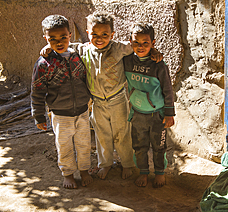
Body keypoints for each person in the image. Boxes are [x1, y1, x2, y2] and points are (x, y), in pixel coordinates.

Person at [41, 12, 163, 181]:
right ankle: (105, 164)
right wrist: (48, 48)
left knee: (122, 133)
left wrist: (154, 51)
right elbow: (64, 46)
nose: (99, 38)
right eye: (94, 34)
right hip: (97, 102)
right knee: (102, 134)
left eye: (105, 34)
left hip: (118, 99)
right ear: (88, 32)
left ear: (112, 35)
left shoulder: (119, 48)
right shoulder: (83, 49)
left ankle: (127, 164)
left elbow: (138, 46)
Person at [31, 15, 93, 189]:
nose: (59, 42)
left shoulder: (77, 55)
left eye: (63, 37)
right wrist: (39, 116)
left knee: (84, 144)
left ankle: (84, 171)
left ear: (70, 35)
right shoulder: (44, 63)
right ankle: (68, 174)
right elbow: (37, 91)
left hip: (82, 111)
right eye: (52, 39)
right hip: (60, 115)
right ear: (45, 39)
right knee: (64, 146)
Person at [123, 22, 175, 188]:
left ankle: (159, 172)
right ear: (130, 42)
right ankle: (143, 172)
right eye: (136, 43)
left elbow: (168, 90)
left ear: (153, 43)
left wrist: (169, 114)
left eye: (146, 43)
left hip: (157, 115)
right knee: (139, 146)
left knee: (159, 146)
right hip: (137, 113)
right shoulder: (127, 61)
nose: (140, 46)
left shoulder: (159, 65)